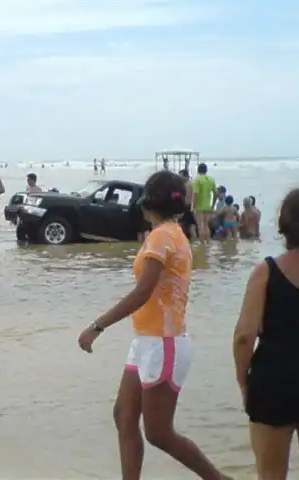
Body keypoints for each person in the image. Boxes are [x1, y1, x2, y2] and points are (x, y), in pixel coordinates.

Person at [78, 170, 231, 480]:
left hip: (164, 343)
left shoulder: (163, 236)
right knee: (124, 416)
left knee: (159, 433)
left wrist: (97, 326)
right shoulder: (169, 232)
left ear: (147, 201)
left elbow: (142, 292)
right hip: (148, 340)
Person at [233, 187, 299, 479]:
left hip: (274, 383)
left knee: (271, 474)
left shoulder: (267, 272)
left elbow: (244, 336)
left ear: (283, 225)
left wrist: (243, 382)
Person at [192, 163, 218, 241]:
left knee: (200, 226)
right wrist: (213, 205)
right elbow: (216, 193)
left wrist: (194, 207)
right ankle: (208, 243)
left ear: (198, 170)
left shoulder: (197, 180)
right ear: (206, 170)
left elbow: (195, 194)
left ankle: (202, 244)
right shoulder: (211, 179)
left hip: (199, 206)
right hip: (207, 206)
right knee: (206, 226)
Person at [178, 169, 197, 240]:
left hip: (187, 207)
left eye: (180, 176)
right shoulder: (190, 184)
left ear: (186, 176)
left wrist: (182, 210)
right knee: (191, 226)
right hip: (191, 207)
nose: (179, 178)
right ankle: (196, 243)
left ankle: (191, 242)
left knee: (183, 226)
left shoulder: (187, 185)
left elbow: (187, 198)